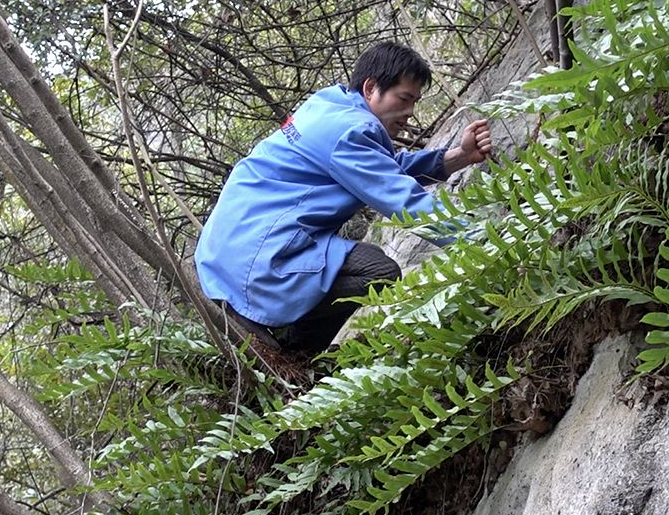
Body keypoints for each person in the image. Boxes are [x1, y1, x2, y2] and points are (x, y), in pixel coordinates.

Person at [194, 41, 493, 353]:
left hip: (226, 254)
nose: (409, 113)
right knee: (379, 272)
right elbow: (402, 199)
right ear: (370, 87)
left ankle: (296, 351)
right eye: (403, 99)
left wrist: (458, 156)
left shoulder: (330, 106)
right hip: (260, 260)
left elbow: (383, 169)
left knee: (364, 267)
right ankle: (300, 353)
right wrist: (485, 244)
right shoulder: (349, 132)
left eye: (414, 102)